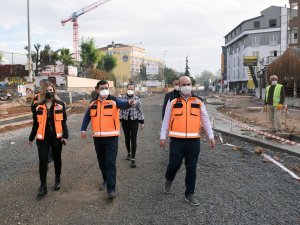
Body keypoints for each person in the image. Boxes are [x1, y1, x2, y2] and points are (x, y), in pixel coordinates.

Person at [160, 76, 216, 206]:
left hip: (193, 141)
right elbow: (166, 120)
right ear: (179, 86)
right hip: (176, 140)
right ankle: (169, 179)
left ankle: (189, 194)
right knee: (174, 164)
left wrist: (210, 136)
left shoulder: (198, 101)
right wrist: (162, 136)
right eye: (183, 84)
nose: (186, 86)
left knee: (191, 167)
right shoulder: (172, 101)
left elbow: (205, 119)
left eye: (188, 84)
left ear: (192, 85)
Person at [80, 80, 135, 199]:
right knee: (102, 161)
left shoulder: (114, 101)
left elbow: (123, 104)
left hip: (111, 138)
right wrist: (83, 129)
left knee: (110, 162)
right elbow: (87, 117)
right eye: (102, 88)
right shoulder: (93, 103)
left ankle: (111, 189)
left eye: (106, 87)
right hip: (98, 138)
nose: (104, 89)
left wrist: (130, 102)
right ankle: (105, 179)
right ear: (97, 90)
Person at [28, 82, 68, 197]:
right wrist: (31, 138)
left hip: (57, 138)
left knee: (57, 159)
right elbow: (35, 123)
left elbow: (64, 121)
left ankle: (57, 179)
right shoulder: (37, 106)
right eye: (47, 90)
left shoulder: (60, 105)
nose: (49, 92)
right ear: (43, 92)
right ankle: (43, 185)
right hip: (43, 138)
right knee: (43, 160)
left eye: (51, 90)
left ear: (54, 91)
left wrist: (65, 136)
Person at [119, 83, 144, 168]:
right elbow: (120, 110)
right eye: (129, 89)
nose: (130, 90)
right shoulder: (122, 98)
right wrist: (120, 119)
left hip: (134, 121)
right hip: (125, 121)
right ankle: (129, 153)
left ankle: (133, 158)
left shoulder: (137, 98)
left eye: (132, 89)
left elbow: (140, 110)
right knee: (127, 138)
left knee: (133, 138)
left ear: (134, 90)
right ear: (127, 89)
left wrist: (142, 121)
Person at [32, 79, 53, 163]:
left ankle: (48, 157)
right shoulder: (38, 95)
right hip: (41, 118)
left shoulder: (40, 95)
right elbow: (33, 106)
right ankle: (47, 157)